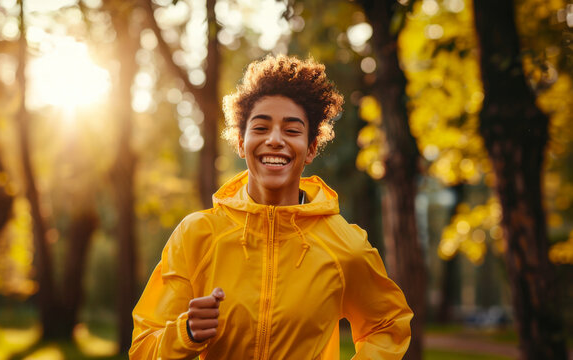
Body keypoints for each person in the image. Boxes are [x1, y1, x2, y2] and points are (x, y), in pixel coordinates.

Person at [129, 55, 413, 359]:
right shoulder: (196, 236)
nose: (275, 140)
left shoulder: (345, 245)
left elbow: (387, 325)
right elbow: (144, 348)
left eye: (292, 130)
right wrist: (186, 333)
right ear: (241, 142)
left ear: (311, 148)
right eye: (261, 128)